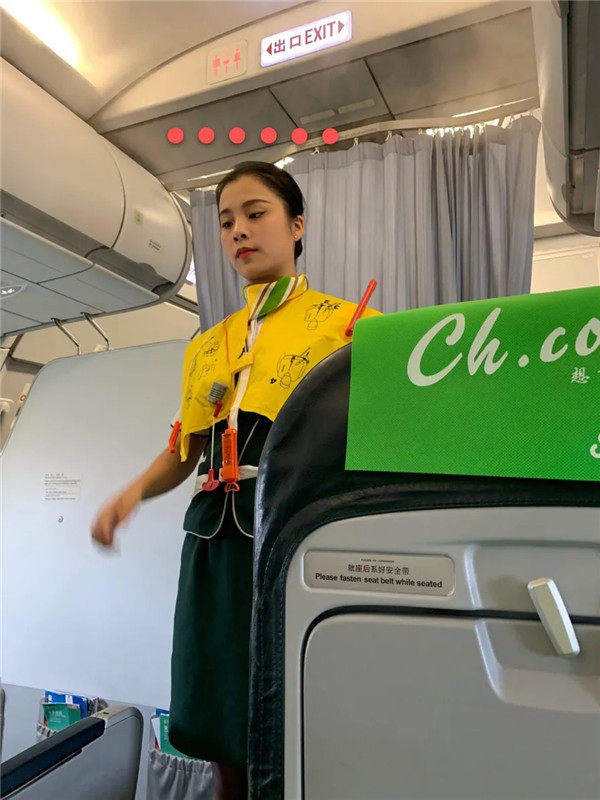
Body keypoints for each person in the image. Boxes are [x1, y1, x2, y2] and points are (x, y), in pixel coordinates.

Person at [91, 160, 380, 800]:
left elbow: (376, 438)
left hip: (289, 530)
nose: (239, 232)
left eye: (256, 214)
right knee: (217, 697)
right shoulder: (208, 344)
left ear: (297, 225)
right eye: (226, 223)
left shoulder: (350, 326)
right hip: (214, 541)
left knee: (289, 694)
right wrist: (129, 496)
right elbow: (183, 451)